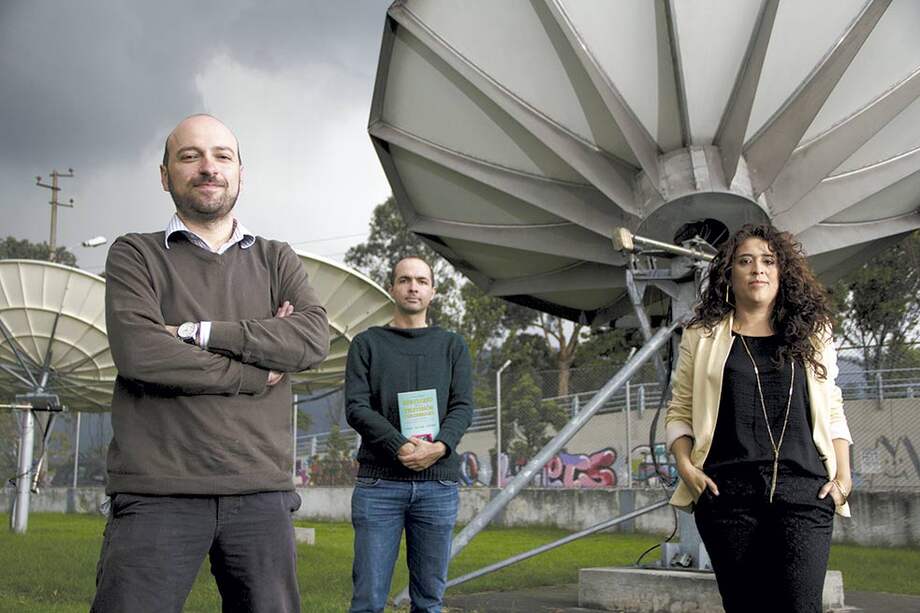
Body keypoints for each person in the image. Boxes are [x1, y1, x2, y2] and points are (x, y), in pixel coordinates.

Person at [92, 114, 329, 613]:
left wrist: (199, 334)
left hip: (260, 492)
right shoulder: (136, 254)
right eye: (189, 155)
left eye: (222, 156)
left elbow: (309, 340)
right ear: (164, 175)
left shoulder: (276, 258)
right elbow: (142, 353)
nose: (208, 168)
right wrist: (254, 369)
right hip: (159, 492)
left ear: (242, 173)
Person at [665, 224, 853, 613]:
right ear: (729, 274)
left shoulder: (813, 334)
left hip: (805, 490)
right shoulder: (701, 335)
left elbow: (832, 408)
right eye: (745, 261)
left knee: (801, 606)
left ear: (782, 271)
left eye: (768, 261)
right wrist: (686, 467)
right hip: (726, 492)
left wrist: (844, 480)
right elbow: (681, 408)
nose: (757, 270)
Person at [345, 256, 474, 613]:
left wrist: (440, 447)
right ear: (392, 288)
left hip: (438, 487)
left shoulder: (453, 346)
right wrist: (398, 444)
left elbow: (462, 406)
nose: (413, 287)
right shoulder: (367, 344)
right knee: (368, 599)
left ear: (433, 291)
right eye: (404, 280)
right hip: (379, 486)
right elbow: (356, 407)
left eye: (421, 280)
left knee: (430, 600)